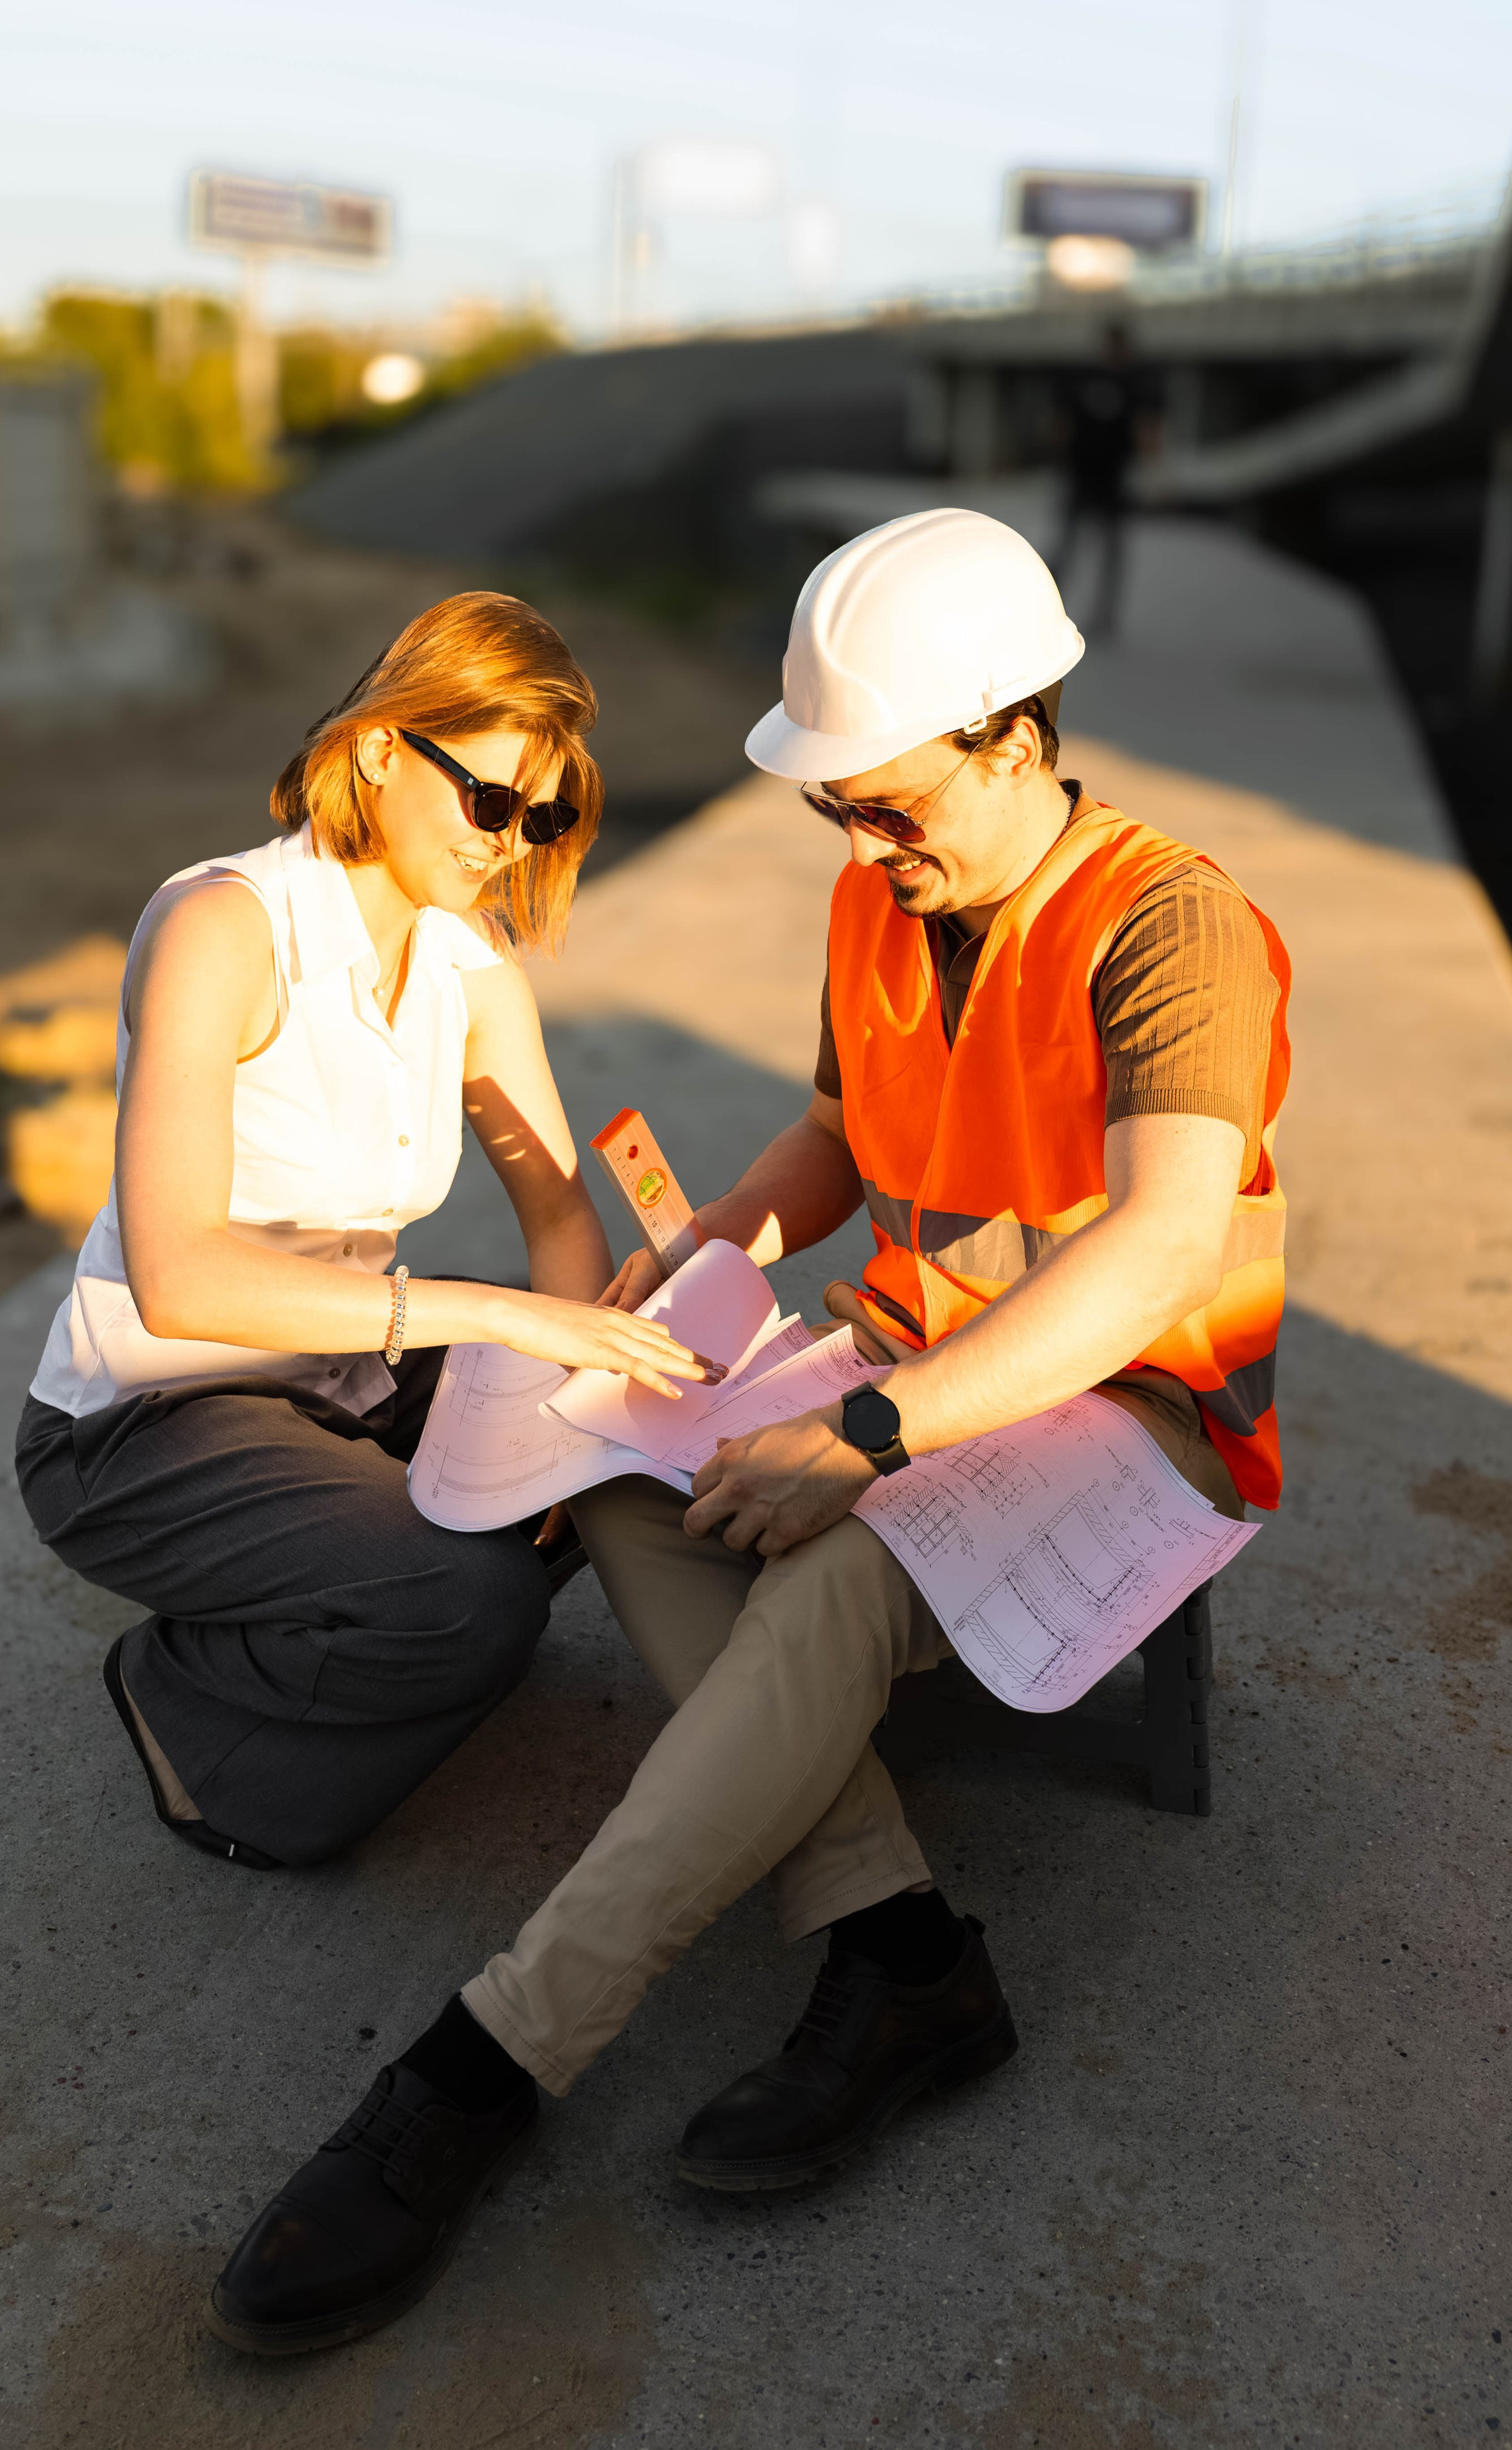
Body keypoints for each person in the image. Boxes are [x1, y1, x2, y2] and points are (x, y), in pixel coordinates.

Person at [202, 510, 1291, 2358]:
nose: (861, 846)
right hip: (920, 1362)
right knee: (642, 1477)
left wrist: (866, 1431)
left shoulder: (1172, 924)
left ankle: (488, 2062)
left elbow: (1164, 1245)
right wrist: (699, 1256)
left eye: (888, 806)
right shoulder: (883, 898)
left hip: (1135, 1402)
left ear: (1013, 737)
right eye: (832, 811)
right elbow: (842, 1145)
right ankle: (900, 1948)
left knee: (829, 1579)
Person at [15, 592, 715, 1874]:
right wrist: (496, 1316)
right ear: (384, 748)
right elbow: (177, 1277)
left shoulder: (468, 960)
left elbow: (558, 1208)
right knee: (473, 1607)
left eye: (541, 818)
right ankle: (188, 1702)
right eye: (490, 800)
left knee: (624, 1461)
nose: (507, 844)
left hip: (343, 1382)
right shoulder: (224, 928)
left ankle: (369, 1601)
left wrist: (575, 1398)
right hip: (147, 1417)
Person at [1050, 321, 1162, 637]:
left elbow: (1146, 427)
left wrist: (1154, 474)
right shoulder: (1083, 377)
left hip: (1113, 478)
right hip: (1081, 473)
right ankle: (1050, 607)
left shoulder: (1135, 383)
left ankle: (1105, 617)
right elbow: (1062, 421)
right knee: (1065, 546)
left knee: (1111, 551)